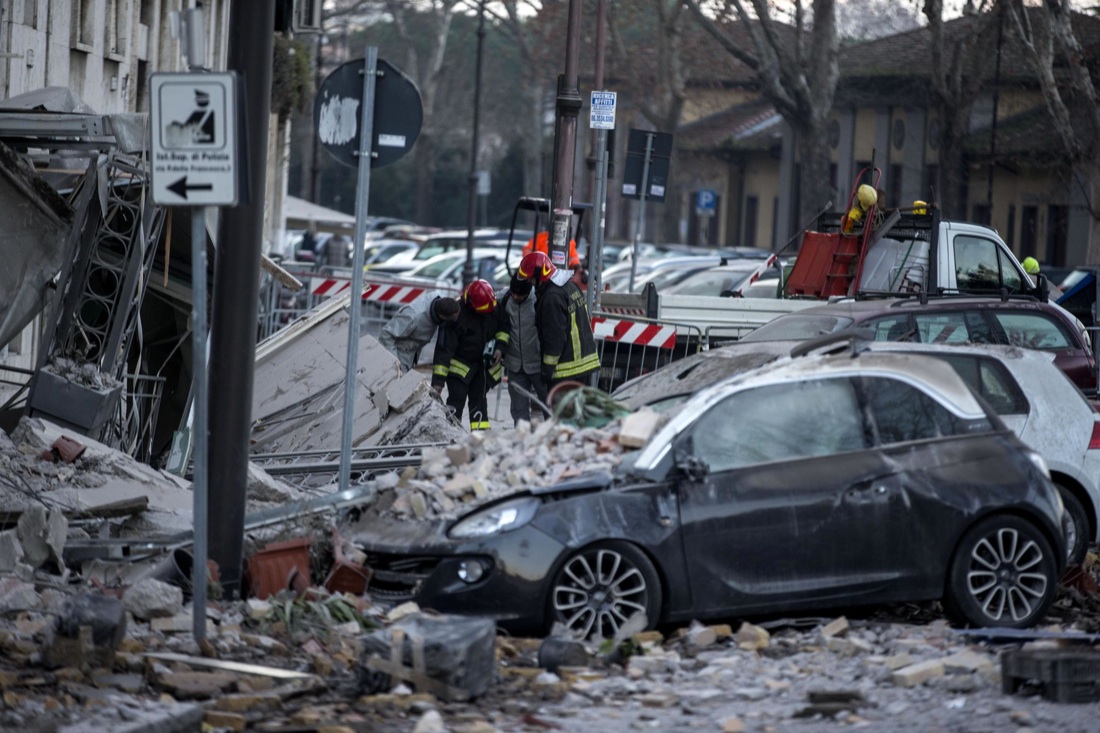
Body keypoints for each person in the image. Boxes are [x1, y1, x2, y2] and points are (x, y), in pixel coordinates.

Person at [515, 251, 600, 388]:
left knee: (558, 404)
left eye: (530, 278)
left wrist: (547, 370)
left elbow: (554, 337)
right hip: (584, 365)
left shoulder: (552, 297)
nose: (529, 282)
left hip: (566, 370)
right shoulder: (571, 286)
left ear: (539, 274)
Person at [432, 279, 502, 430]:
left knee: (479, 402)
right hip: (459, 370)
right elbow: (443, 350)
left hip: (482, 368)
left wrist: (500, 347)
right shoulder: (456, 316)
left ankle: (480, 436)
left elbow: (503, 327)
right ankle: (451, 434)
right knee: (456, 402)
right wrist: (438, 382)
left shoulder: (491, 306)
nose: (487, 313)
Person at [493, 274, 547, 426]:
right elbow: (488, 301)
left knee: (548, 405)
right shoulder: (505, 297)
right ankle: (522, 435)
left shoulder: (539, 299)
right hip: (515, 364)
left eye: (520, 295)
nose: (515, 297)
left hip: (538, 364)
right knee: (518, 408)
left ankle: (553, 434)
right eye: (513, 293)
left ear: (528, 292)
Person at [378, 292, 460, 373]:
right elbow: (386, 334)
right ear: (441, 316)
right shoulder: (412, 317)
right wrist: (394, 363)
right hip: (399, 355)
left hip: (411, 354)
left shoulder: (440, 299)